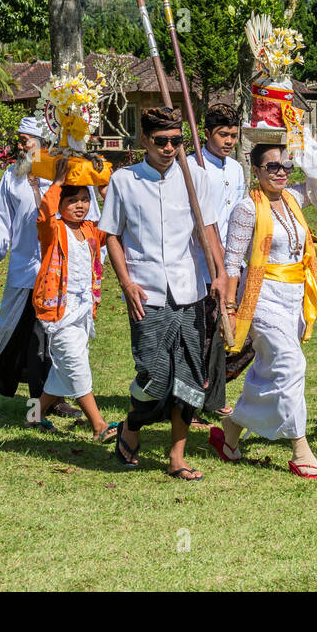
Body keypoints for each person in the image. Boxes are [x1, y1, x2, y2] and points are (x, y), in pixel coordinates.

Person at [100, 106, 226, 481]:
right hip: (145, 292)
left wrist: (220, 276)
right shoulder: (124, 180)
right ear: (145, 141)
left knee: (189, 376)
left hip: (189, 290)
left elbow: (209, 230)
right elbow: (111, 235)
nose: (170, 148)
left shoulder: (196, 178)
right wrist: (126, 283)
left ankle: (177, 456)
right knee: (153, 374)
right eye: (161, 141)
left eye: (176, 141)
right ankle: (131, 428)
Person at [208, 142, 317, 479]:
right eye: (272, 167)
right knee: (291, 364)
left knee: (268, 369)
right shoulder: (247, 209)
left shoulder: (294, 197)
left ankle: (231, 432)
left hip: (295, 297)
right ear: (255, 170)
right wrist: (230, 308)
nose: (281, 172)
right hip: (261, 299)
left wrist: (308, 140)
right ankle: (301, 450)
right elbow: (232, 263)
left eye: (286, 166)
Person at [0, 116, 100, 427]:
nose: (21, 144)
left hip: (60, 279)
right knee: (10, 329)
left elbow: (92, 224)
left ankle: (44, 404)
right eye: (20, 138)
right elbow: (2, 219)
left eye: (27, 139)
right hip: (23, 269)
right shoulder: (13, 177)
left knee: (43, 343)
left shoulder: (72, 173)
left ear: (45, 143)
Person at [31, 158, 118, 444]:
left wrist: (106, 189)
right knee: (76, 365)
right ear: (60, 203)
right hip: (57, 310)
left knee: (64, 368)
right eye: (72, 200)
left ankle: (34, 414)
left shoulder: (91, 230)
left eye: (84, 199)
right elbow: (43, 215)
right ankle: (98, 424)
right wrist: (56, 183)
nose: (80, 205)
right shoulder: (54, 230)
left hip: (83, 310)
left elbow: (116, 220)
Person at [195, 103, 249, 423]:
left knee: (225, 332)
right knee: (201, 332)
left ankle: (213, 395)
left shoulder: (236, 169)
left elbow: (236, 218)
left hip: (230, 262)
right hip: (198, 264)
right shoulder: (193, 166)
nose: (229, 141)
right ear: (207, 133)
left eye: (233, 135)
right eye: (222, 134)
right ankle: (192, 399)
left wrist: (236, 264)